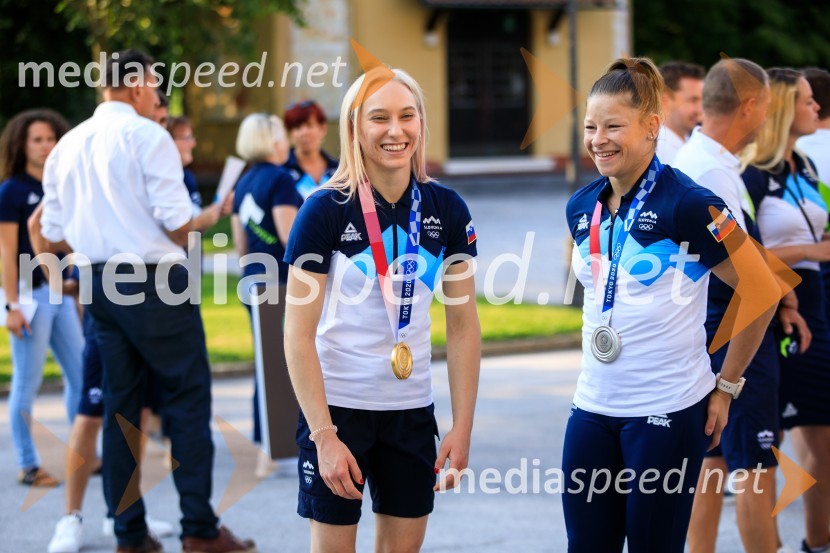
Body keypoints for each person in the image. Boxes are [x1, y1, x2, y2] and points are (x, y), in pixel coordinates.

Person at [37, 48, 254, 553]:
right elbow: (178, 224)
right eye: (157, 87)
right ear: (136, 86)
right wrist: (211, 217)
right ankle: (200, 530)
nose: (159, 97)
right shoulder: (147, 136)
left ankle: (131, 537)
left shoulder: (65, 145)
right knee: (187, 402)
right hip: (156, 282)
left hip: (98, 286)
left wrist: (101, 246)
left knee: (121, 411)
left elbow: (51, 232)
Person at [563, 57, 777, 553]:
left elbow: (761, 291)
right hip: (592, 406)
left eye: (614, 126)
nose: (599, 139)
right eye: (591, 127)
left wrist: (726, 386)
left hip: (667, 410)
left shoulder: (689, 203)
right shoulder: (581, 206)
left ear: (651, 127)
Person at [283, 67, 481, 552]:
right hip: (338, 412)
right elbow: (296, 333)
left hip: (410, 410)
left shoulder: (447, 209)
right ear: (354, 127)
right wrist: (324, 436)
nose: (396, 130)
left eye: (407, 116)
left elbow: (463, 328)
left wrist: (462, 424)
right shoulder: (324, 209)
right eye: (380, 118)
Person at [674, 58, 808, 553]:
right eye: (768, 106)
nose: (768, 116)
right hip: (734, 328)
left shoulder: (707, 162)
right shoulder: (712, 171)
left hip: (717, 326)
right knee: (756, 469)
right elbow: (739, 267)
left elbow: (742, 251)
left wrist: (783, 289)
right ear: (749, 108)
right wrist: (782, 289)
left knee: (715, 464)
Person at [741, 68, 830, 553]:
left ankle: (817, 543)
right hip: (776, 314)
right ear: (780, 108)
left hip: (814, 308)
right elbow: (743, 253)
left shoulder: (805, 166)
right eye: (808, 100)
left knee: (822, 439)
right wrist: (811, 254)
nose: (817, 107)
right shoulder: (750, 173)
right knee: (764, 448)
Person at [0, 109, 83, 487]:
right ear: (21, 145)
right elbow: (5, 252)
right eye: (37, 140)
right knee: (26, 382)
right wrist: (11, 305)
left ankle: (84, 454)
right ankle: (28, 463)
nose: (45, 146)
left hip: (60, 294)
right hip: (29, 299)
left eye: (50, 138)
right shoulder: (11, 191)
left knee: (83, 376)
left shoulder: (62, 185)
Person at [231, 112, 302, 478]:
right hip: (282, 282)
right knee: (286, 364)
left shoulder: (243, 182)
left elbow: (241, 244)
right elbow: (292, 238)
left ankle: (265, 446)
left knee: (266, 362)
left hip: (253, 279)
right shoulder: (280, 179)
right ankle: (274, 451)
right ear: (274, 140)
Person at [168, 116, 224, 233]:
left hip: (193, 250)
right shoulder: (164, 181)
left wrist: (217, 212)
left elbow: (196, 230)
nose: (193, 144)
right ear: (168, 141)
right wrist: (201, 220)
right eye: (187, 138)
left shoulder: (187, 177)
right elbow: (172, 231)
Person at [282, 100, 338, 199]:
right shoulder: (281, 169)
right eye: (297, 127)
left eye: (309, 125)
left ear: (322, 129)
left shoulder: (338, 169)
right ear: (290, 133)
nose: (304, 132)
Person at [655, 61, 705, 164]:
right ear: (665, 100)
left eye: (703, 100)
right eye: (693, 100)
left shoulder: (691, 144)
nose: (701, 110)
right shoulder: (654, 153)